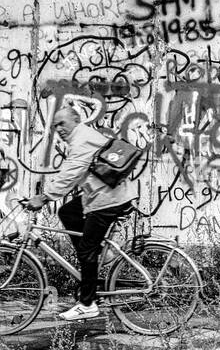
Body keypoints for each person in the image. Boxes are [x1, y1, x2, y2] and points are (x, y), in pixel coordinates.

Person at [21, 105, 138, 320]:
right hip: (102, 196)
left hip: (107, 200)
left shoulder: (81, 139)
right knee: (67, 212)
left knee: (86, 249)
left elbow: (70, 174)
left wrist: (44, 197)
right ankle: (98, 255)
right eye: (55, 126)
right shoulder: (83, 137)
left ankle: (87, 303)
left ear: (76, 120)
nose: (59, 129)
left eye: (62, 123)